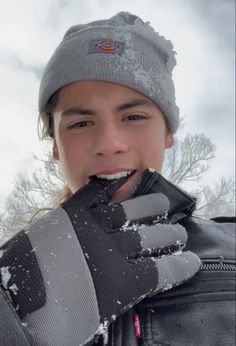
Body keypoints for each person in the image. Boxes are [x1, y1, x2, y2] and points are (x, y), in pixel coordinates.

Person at [0, 12, 235, 346]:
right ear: (55, 146)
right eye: (80, 123)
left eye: (134, 116)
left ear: (167, 133)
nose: (109, 144)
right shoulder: (11, 269)